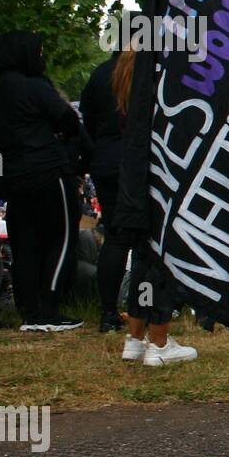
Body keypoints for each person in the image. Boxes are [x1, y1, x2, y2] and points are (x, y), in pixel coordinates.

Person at [0, 30, 85, 331]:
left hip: (16, 175)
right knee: (62, 239)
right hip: (48, 170)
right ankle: (49, 306)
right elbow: (68, 120)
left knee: (26, 244)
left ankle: (29, 307)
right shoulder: (33, 87)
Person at [109, 38, 198, 366]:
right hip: (162, 173)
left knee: (143, 253)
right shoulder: (160, 85)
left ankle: (135, 338)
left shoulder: (127, 82)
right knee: (163, 256)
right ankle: (159, 342)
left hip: (135, 176)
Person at [79, 43, 131, 332]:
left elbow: (87, 120)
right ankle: (147, 309)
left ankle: (108, 311)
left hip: (105, 159)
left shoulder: (100, 74)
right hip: (134, 159)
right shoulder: (145, 71)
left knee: (115, 236)